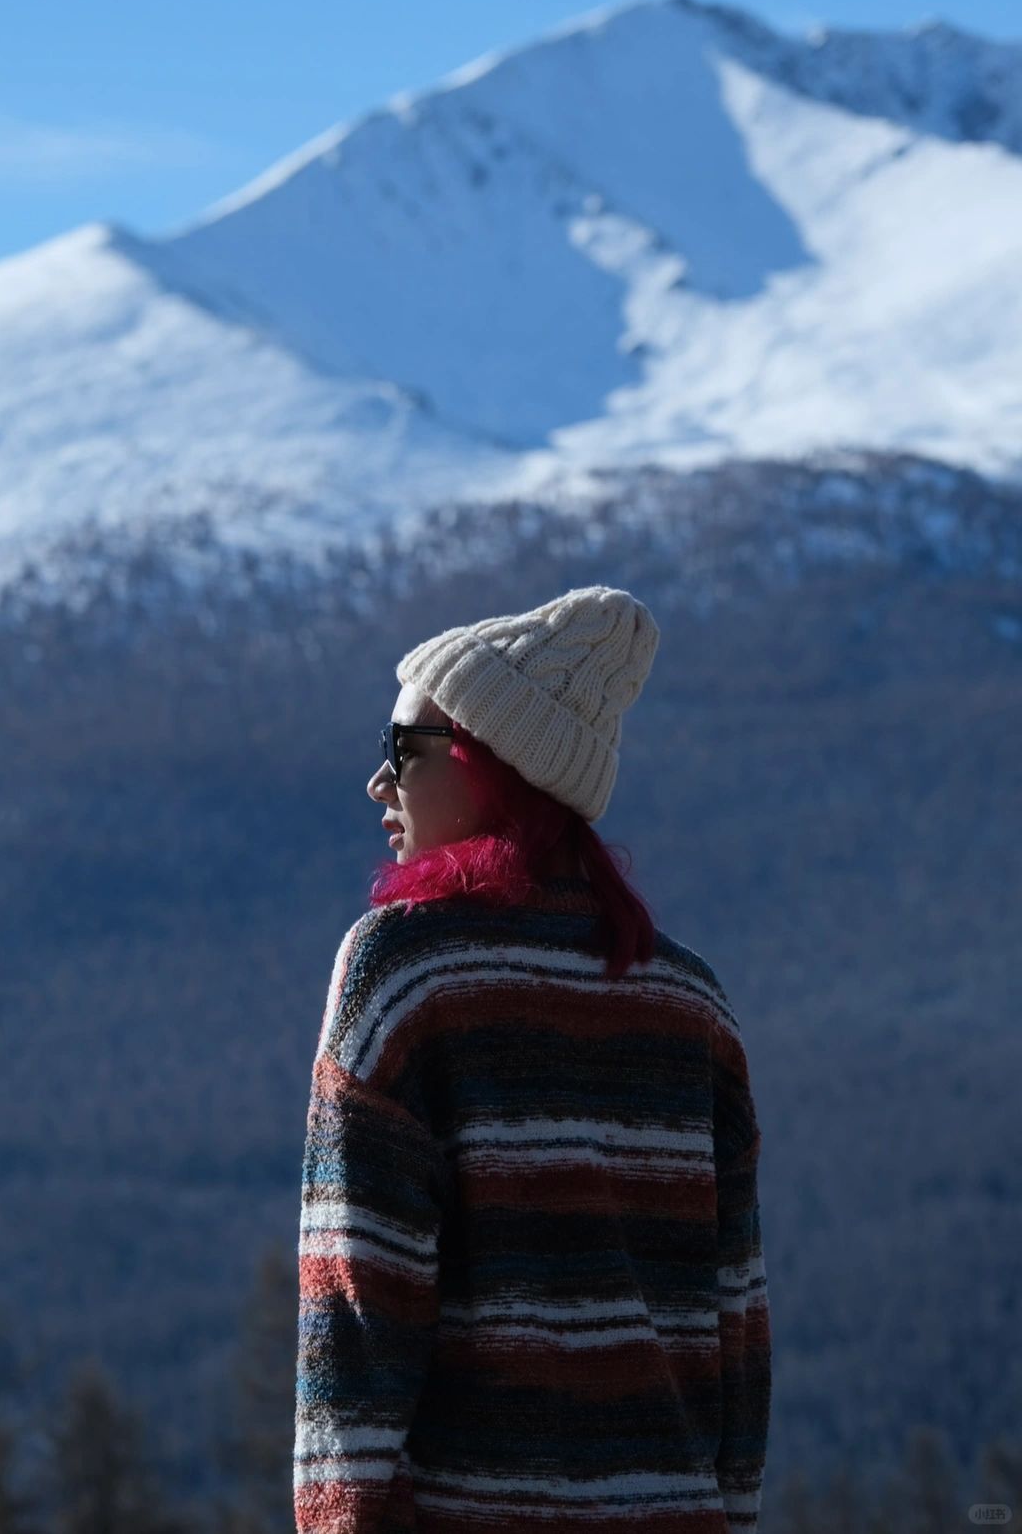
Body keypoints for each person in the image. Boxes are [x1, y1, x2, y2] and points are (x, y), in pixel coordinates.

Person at [294, 585, 772, 1533]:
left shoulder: (402, 973)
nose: (377, 786)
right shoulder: (693, 1003)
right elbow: (737, 1322)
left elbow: (357, 1316)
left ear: (486, 765)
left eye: (400, 753)